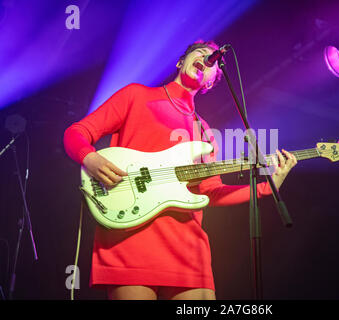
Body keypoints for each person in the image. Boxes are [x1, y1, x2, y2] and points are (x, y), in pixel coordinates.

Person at [63, 40, 297, 300]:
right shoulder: (136, 96)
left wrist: (268, 186)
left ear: (209, 83)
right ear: (180, 61)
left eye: (213, 62)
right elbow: (76, 133)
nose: (207, 58)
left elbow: (212, 192)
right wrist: (90, 159)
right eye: (200, 53)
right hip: (131, 235)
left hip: (188, 248)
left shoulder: (205, 133)